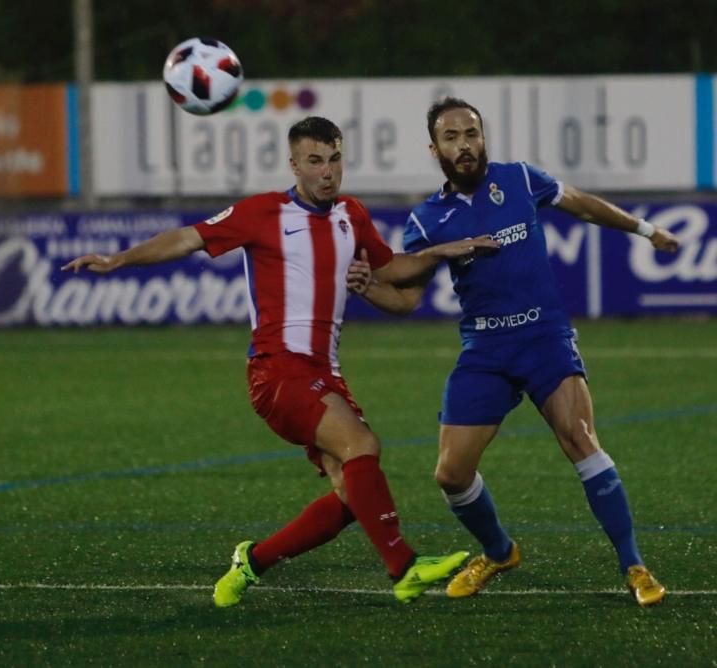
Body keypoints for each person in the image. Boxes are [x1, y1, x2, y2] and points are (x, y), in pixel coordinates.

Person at [64, 116, 499, 606]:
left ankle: (252, 561)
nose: (327, 172)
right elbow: (187, 238)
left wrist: (444, 251)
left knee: (353, 495)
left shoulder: (350, 214)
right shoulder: (263, 212)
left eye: (335, 160)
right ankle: (404, 567)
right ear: (294, 164)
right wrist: (120, 259)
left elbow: (392, 268)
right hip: (277, 370)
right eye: (315, 162)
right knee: (363, 447)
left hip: (325, 374)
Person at [352, 97, 677, 607]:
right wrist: (367, 288)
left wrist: (645, 229)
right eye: (453, 138)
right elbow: (406, 299)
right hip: (485, 348)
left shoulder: (520, 179)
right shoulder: (428, 218)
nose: (465, 145)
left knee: (581, 440)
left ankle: (634, 564)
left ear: (484, 137)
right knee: (450, 474)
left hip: (543, 337)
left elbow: (582, 203)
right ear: (434, 148)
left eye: (472, 134)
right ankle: (500, 551)